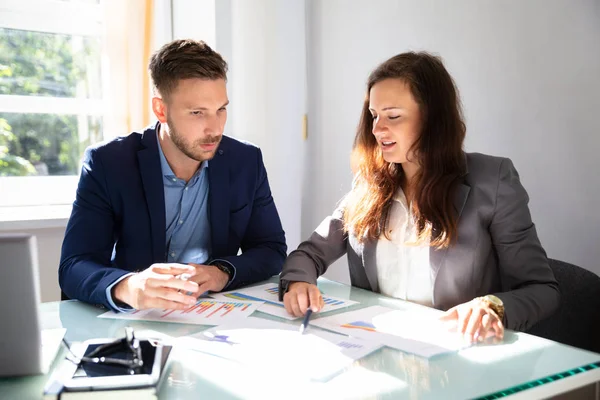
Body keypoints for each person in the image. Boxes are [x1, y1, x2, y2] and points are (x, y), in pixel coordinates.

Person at [279, 52, 559, 343]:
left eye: (393, 116)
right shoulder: (369, 184)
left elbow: (540, 288)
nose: (376, 129)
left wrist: (492, 306)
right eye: (374, 116)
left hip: (460, 359)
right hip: (379, 350)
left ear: (432, 119)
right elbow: (309, 254)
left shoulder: (493, 180)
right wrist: (299, 282)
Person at [60, 39, 286, 312]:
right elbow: (74, 265)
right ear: (161, 109)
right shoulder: (109, 163)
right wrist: (129, 286)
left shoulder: (245, 161)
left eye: (221, 109)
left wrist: (221, 272)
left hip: (213, 318)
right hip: (136, 322)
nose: (215, 129)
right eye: (197, 113)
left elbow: (271, 249)